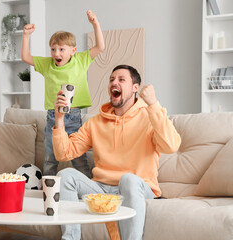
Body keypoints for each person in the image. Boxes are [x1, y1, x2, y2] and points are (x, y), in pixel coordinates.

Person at [52, 65, 181, 240]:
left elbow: (171, 146)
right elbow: (63, 154)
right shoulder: (95, 123)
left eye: (121, 79)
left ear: (135, 88)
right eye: (112, 79)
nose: (114, 82)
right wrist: (59, 119)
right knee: (65, 174)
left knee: (127, 179)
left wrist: (154, 104)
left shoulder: (149, 116)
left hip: (137, 187)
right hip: (101, 188)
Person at [21, 10, 105, 177]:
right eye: (53, 49)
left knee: (79, 158)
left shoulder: (81, 60)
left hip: (74, 116)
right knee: (50, 159)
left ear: (73, 50)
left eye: (61, 49)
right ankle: (48, 191)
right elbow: (25, 56)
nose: (56, 53)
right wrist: (26, 36)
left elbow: (100, 47)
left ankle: (86, 188)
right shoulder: (47, 64)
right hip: (53, 117)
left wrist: (95, 23)